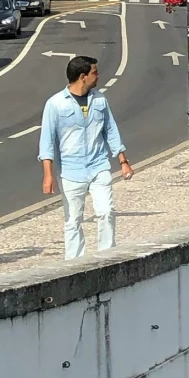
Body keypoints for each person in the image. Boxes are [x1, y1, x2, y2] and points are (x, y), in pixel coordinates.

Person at [38, 53, 134, 261]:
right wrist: (48, 175)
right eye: (95, 73)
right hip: (71, 172)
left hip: (99, 166)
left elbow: (111, 130)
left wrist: (123, 161)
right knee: (73, 220)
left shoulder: (100, 100)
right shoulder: (55, 104)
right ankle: (75, 263)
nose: (98, 76)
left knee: (107, 211)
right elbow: (46, 142)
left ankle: (107, 257)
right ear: (83, 76)